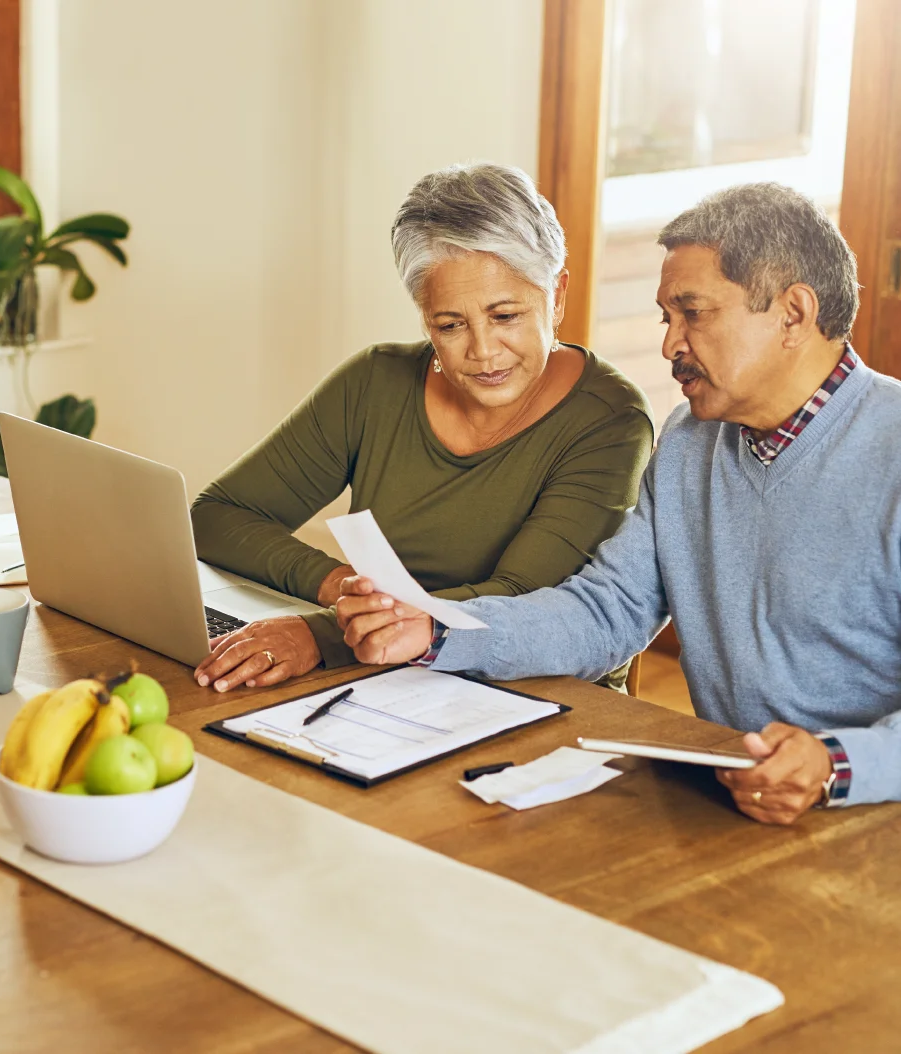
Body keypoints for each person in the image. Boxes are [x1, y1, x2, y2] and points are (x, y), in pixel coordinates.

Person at [337, 182, 901, 827]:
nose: (670, 345)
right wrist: (436, 631)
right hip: (742, 807)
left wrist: (836, 764)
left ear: (793, 315)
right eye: (668, 318)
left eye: (694, 313)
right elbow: (605, 612)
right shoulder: (692, 444)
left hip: (872, 821)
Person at [190, 162, 653, 694]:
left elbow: (522, 599)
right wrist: (344, 591)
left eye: (506, 317)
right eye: (450, 325)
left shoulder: (610, 420)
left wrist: (324, 636)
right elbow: (219, 517)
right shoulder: (376, 381)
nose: (482, 352)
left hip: (535, 693)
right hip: (384, 682)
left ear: (558, 295)